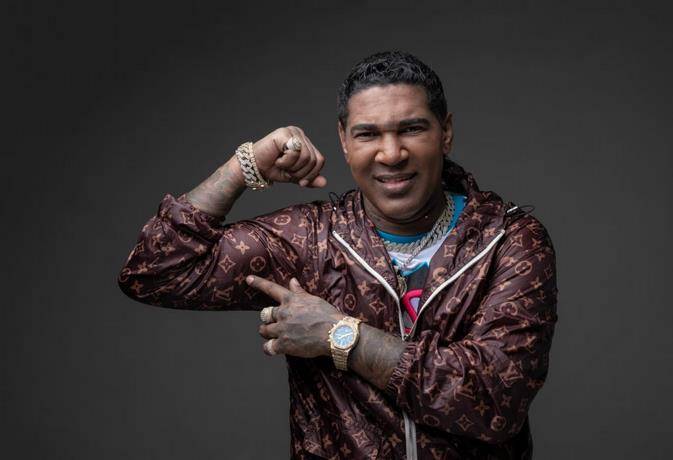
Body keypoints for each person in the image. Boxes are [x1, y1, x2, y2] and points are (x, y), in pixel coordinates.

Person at [118, 51, 557, 459]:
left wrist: (340, 335)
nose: (391, 153)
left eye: (411, 129)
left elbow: (494, 401)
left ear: (446, 133)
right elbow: (153, 272)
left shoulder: (507, 239)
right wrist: (243, 167)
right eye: (368, 134)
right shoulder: (310, 239)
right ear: (344, 142)